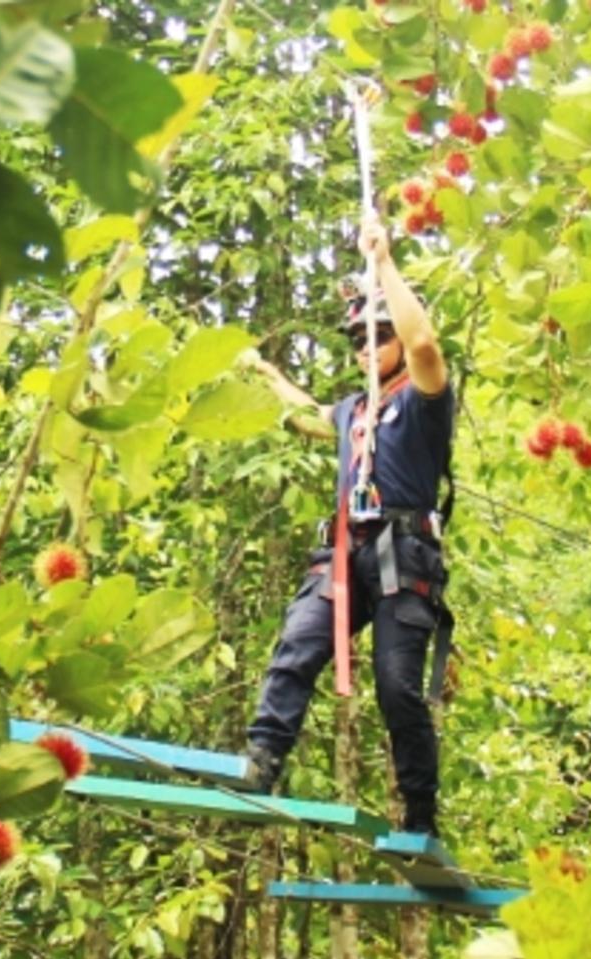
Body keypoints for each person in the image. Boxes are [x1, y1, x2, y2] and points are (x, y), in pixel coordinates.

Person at [238, 216, 454, 837]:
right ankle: (264, 757)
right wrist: (259, 370)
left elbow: (425, 344)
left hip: (401, 553)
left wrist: (384, 262)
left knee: (396, 688)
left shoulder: (423, 398)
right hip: (344, 553)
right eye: (358, 339)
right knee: (297, 645)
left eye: (377, 335)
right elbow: (306, 414)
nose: (365, 346)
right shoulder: (354, 409)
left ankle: (419, 814)